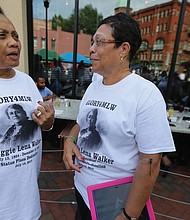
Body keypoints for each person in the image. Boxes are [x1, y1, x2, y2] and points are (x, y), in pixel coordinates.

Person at [63, 12, 175, 220]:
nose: (91, 49)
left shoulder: (145, 94)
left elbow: (150, 161)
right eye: (92, 42)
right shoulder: (95, 84)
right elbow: (81, 123)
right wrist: (70, 138)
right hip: (83, 191)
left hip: (114, 201)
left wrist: (130, 214)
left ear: (123, 49)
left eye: (99, 42)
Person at [0, 7, 54, 220]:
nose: (14, 42)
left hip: (28, 201)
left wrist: (49, 122)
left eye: (15, 36)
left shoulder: (26, 81)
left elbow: (45, 125)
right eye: (2, 36)